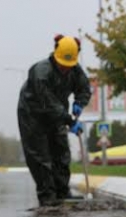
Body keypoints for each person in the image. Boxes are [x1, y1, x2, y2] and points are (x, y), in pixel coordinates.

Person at [17, 35, 91, 207]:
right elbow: (48, 103)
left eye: (69, 66)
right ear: (55, 56)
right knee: (40, 155)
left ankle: (62, 191)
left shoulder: (74, 69)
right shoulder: (40, 72)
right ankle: (47, 195)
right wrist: (70, 121)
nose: (65, 69)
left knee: (61, 152)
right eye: (62, 65)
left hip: (57, 113)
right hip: (32, 114)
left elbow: (84, 88)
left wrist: (79, 103)